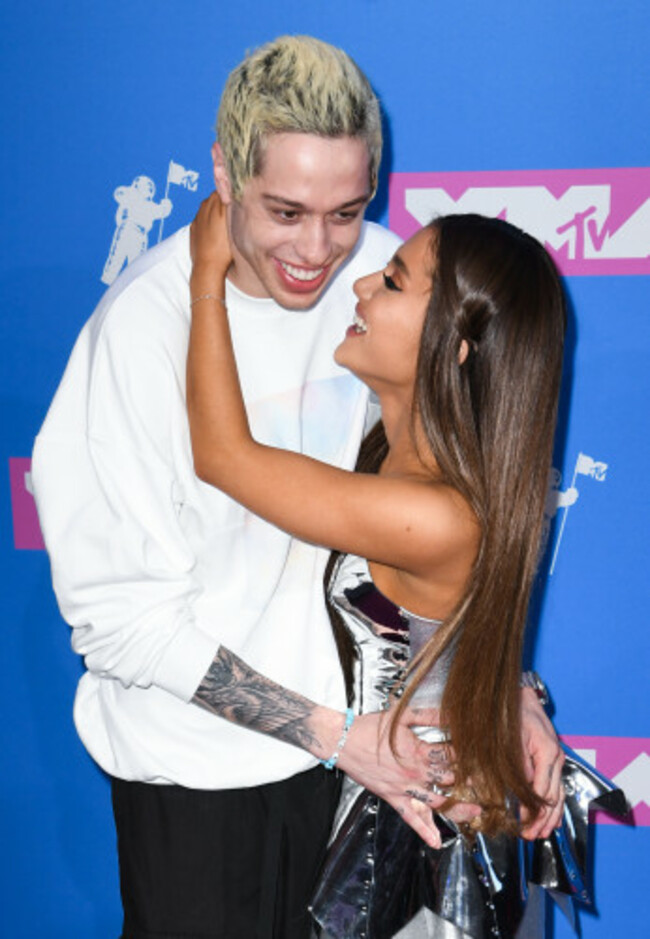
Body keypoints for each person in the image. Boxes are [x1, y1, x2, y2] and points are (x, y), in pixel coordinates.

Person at [32, 35, 561, 939]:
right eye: (286, 210)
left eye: (348, 212)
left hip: (365, 783)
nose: (321, 254)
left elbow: (472, 504)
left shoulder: (392, 288)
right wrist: (332, 731)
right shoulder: (139, 334)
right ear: (225, 175)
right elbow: (121, 620)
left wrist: (503, 689)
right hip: (208, 789)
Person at [185, 196, 625, 937]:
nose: (360, 287)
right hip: (400, 821)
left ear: (455, 345)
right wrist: (514, 694)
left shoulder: (436, 511)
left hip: (428, 860)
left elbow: (223, 456)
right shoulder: (400, 460)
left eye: (391, 281)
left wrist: (205, 275)